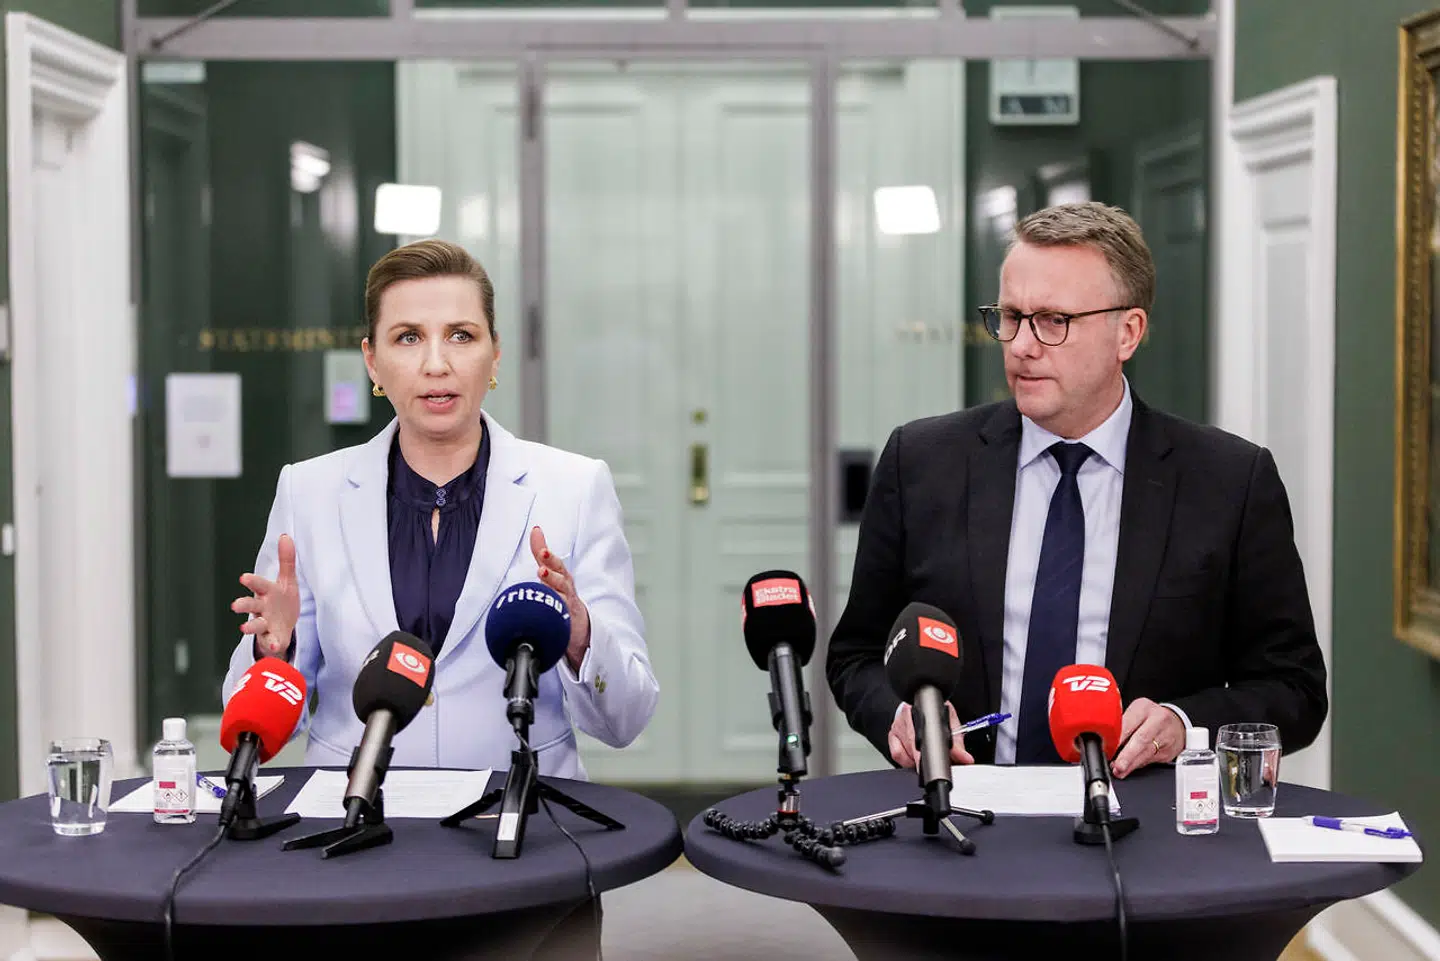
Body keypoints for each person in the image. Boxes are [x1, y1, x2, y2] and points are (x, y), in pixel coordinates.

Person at [826, 201, 1327, 778]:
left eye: (1053, 321)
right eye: (1010, 316)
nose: (1020, 346)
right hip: (965, 824)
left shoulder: (1230, 482)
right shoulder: (921, 463)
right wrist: (898, 715)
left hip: (1148, 835)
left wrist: (1182, 724)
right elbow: (856, 655)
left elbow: (1295, 690)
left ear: (1128, 333)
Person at [222, 239, 659, 779]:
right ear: (372, 361)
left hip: (520, 822)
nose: (436, 363)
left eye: (461, 335)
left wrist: (580, 633)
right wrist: (275, 654)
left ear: (495, 353)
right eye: (408, 338)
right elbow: (255, 726)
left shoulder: (574, 487)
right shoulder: (308, 492)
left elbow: (628, 718)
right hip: (351, 821)